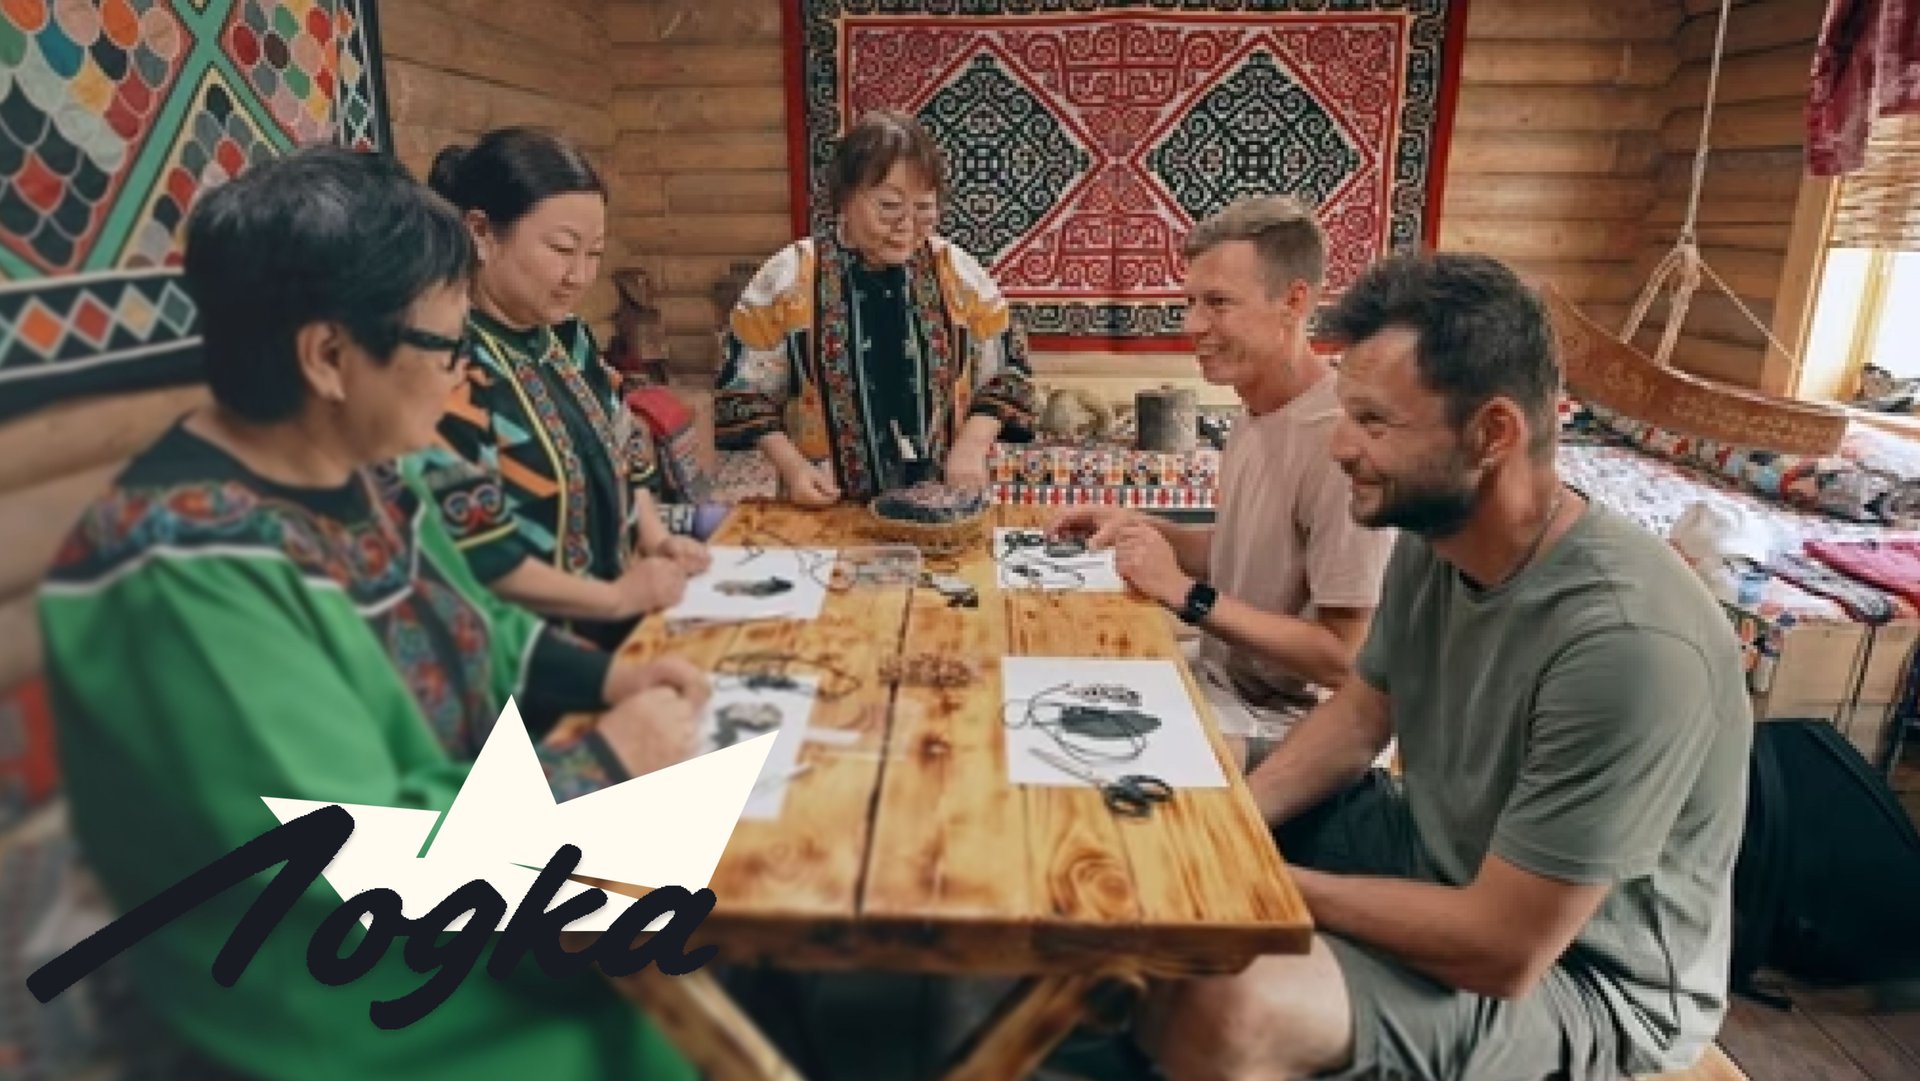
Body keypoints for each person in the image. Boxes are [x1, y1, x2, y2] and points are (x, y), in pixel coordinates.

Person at [38, 147, 704, 1081]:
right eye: (447, 349)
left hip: (455, 873)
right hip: (326, 987)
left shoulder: (383, 476)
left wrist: (613, 677)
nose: (461, 378)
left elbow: (486, 628)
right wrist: (601, 763)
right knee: (645, 1009)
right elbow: (343, 850)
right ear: (329, 356)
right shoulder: (179, 575)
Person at [1133, 253, 1753, 1081]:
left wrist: (1253, 877)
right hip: (1430, 848)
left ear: (1492, 433)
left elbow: (1504, 946)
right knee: (1160, 766)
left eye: (1373, 422)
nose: (1341, 446)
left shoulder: (1628, 643)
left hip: (1587, 981)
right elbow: (1361, 716)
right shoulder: (1439, 537)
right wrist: (1227, 820)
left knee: (1229, 1001)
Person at [1050, 197, 1393, 767]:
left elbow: (1344, 657)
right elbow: (1242, 555)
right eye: (1190, 302)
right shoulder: (1254, 409)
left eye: (1218, 303)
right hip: (1220, 687)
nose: (1192, 325)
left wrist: (1186, 595)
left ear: (1294, 303)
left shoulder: (1341, 445)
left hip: (1289, 733)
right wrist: (1139, 526)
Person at [419, 126, 707, 649]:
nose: (580, 276)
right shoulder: (447, 362)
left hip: (615, 625)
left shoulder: (568, 338)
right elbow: (478, 554)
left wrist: (658, 541)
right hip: (525, 658)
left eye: (593, 253)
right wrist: (616, 598)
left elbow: (624, 453)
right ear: (481, 232)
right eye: (562, 249)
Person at [715, 108, 1037, 503]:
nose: (908, 224)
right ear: (844, 200)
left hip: (942, 510)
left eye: (924, 207)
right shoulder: (788, 277)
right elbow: (743, 392)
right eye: (889, 205)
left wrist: (971, 447)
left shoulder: (960, 275)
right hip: (825, 507)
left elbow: (1009, 376)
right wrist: (793, 468)